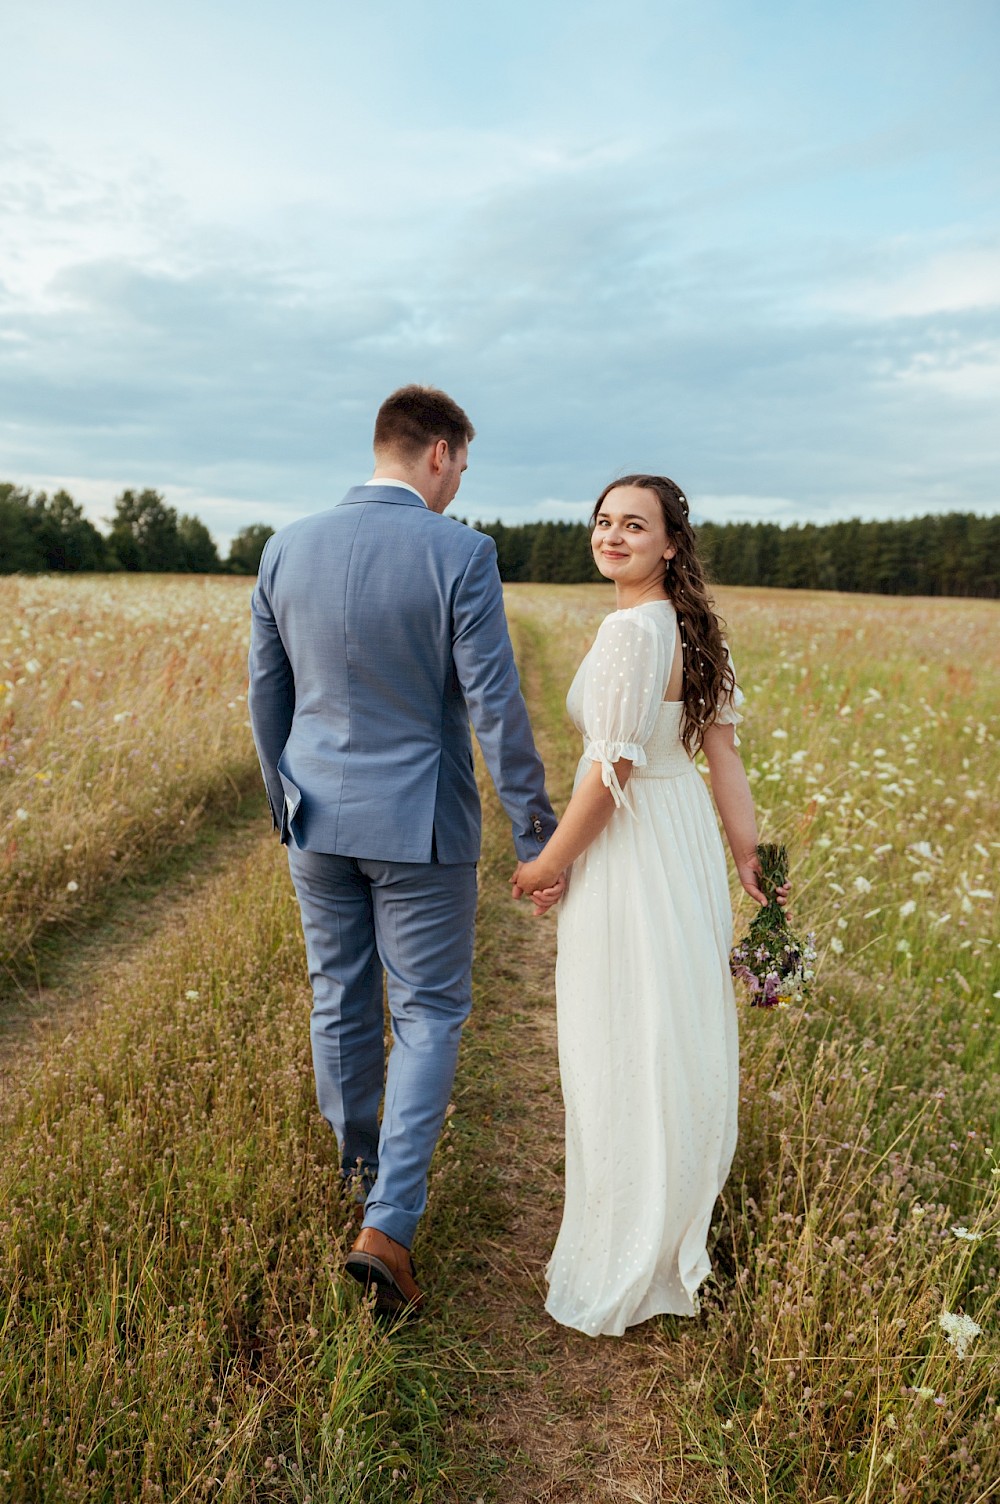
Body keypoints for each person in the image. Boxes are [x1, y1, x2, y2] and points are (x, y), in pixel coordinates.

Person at [248, 385, 558, 1318]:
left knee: (337, 990)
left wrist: (286, 797)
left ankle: (358, 1170)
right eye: (461, 463)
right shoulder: (460, 553)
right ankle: (388, 1224)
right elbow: (495, 706)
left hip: (314, 814)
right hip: (419, 823)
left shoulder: (285, 545)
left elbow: (269, 694)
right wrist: (535, 831)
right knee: (427, 1016)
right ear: (436, 453)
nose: (460, 480)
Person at [512, 473, 784, 1337]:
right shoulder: (694, 628)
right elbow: (722, 758)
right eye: (602, 522)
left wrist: (549, 861)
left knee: (622, 1034)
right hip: (681, 843)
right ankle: (663, 1237)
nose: (612, 535)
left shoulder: (633, 630)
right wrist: (748, 854)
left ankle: (630, 1248)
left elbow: (612, 768)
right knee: (669, 1032)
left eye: (634, 525)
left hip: (632, 845)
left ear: (671, 543)